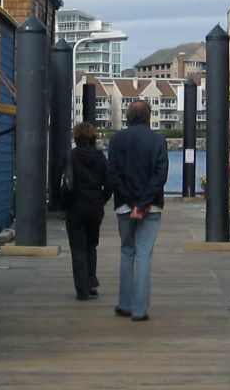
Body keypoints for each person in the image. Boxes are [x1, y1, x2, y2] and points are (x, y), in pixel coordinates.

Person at [106, 100, 168, 321]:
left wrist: (132, 203)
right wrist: (142, 204)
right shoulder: (158, 140)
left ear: (127, 117)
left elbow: (112, 173)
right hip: (150, 206)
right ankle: (140, 310)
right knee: (144, 255)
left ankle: (124, 304)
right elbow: (160, 176)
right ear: (149, 117)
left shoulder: (116, 140)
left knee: (126, 251)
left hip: (124, 205)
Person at [64, 122, 111, 301]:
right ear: (93, 137)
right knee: (91, 246)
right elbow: (109, 183)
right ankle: (91, 283)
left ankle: (81, 288)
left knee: (78, 248)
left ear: (76, 137)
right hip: (95, 206)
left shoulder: (72, 156)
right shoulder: (100, 157)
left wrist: (65, 204)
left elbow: (65, 183)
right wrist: (102, 199)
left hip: (76, 206)